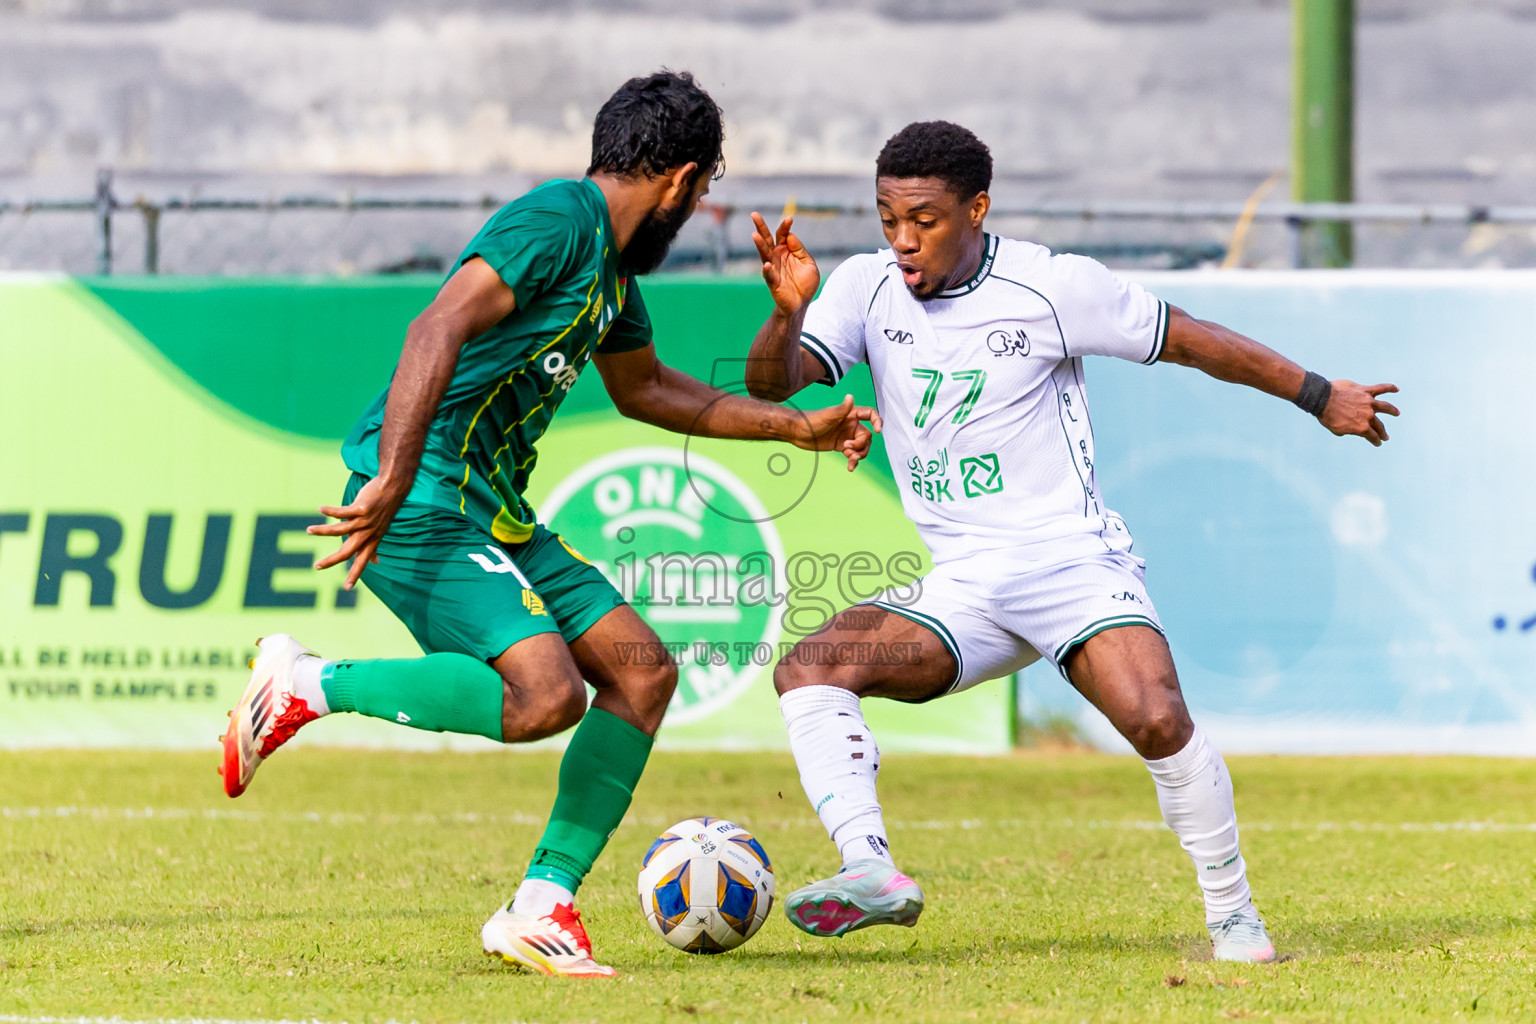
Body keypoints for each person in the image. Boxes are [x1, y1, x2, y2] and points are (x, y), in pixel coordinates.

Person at [217, 70, 878, 979]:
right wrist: (395, 476)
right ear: (682, 180)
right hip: (420, 496)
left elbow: (647, 389)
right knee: (546, 695)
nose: (695, 210)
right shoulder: (557, 221)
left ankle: (541, 907)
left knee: (642, 673)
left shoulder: (611, 274)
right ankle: (305, 683)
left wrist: (794, 427)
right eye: (701, 195)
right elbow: (434, 329)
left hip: (494, 511)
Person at [743, 120, 1400, 963]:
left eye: (925, 220)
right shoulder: (863, 287)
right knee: (810, 667)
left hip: (1068, 563)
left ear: (977, 209)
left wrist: (1318, 394)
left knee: (1157, 720)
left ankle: (1234, 917)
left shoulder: (1053, 285)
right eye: (888, 219)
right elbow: (772, 386)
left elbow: (1191, 340)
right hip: (964, 583)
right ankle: (869, 868)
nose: (903, 239)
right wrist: (788, 313)